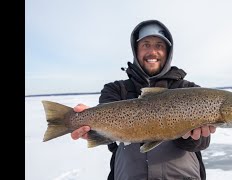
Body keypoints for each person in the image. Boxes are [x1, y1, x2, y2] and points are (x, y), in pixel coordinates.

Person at [71, 19, 216, 180]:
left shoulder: (189, 89)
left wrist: (191, 137)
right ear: (136, 50)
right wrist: (90, 127)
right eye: (146, 45)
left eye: (159, 46)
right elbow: (112, 144)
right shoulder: (116, 90)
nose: (152, 52)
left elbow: (203, 143)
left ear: (168, 52)